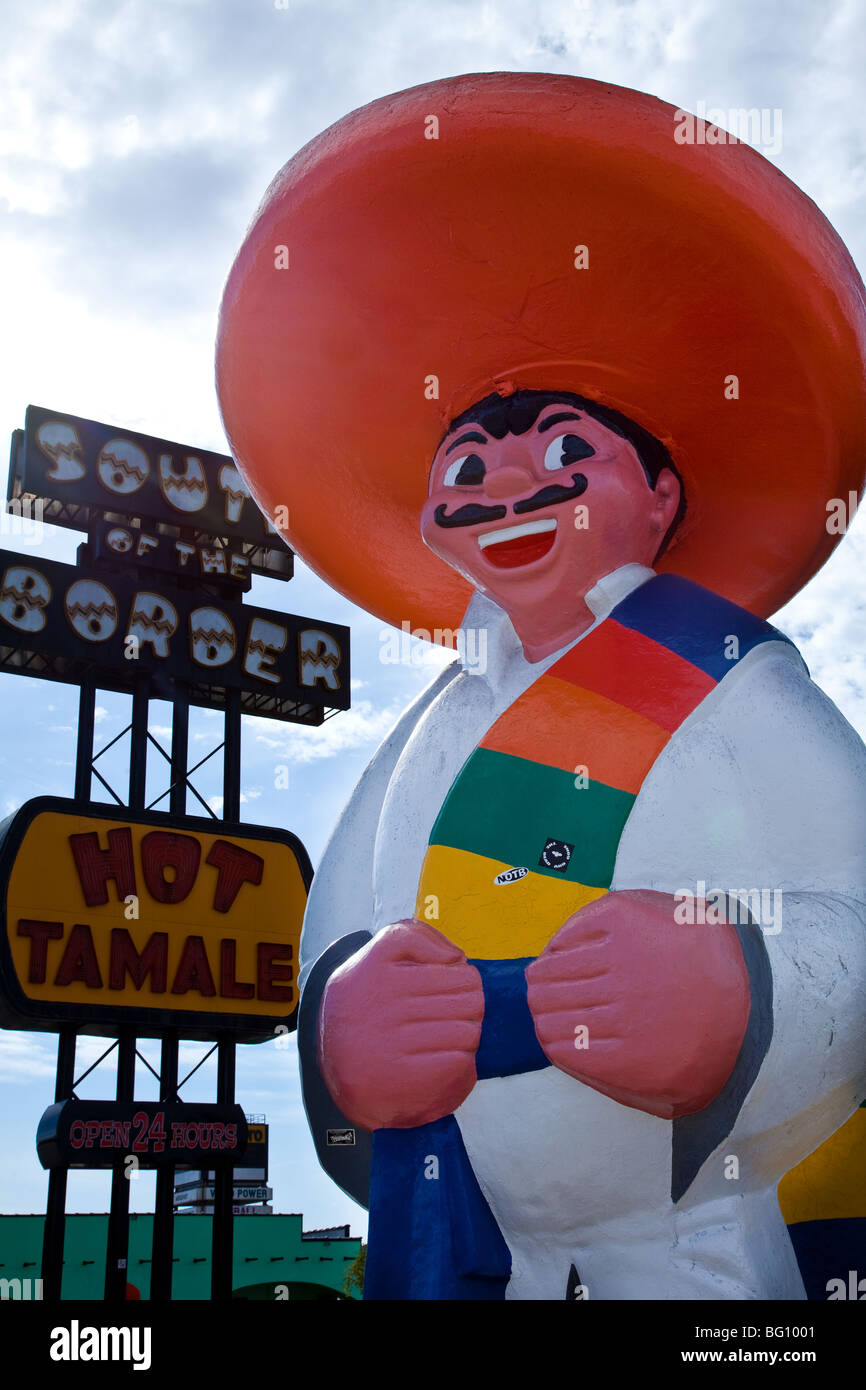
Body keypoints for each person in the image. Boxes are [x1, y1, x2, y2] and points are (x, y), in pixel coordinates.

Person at [215, 72, 866, 1299]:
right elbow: (346, 931)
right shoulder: (431, 722)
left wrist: (744, 990)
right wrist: (342, 1037)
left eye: (566, 449)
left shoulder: (733, 683)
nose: (510, 488)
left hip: (695, 1253)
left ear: (659, 496)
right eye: (469, 458)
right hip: (466, 1240)